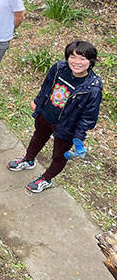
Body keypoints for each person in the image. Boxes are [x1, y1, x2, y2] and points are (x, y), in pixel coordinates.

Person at [7, 40, 102, 193]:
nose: (76, 62)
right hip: (46, 115)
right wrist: (38, 103)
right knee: (37, 138)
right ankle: (28, 160)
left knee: (59, 155)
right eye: (73, 57)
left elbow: (88, 117)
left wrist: (78, 137)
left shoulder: (93, 88)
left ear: (90, 62)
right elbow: (46, 87)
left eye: (82, 58)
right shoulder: (59, 68)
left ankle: (46, 179)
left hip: (67, 127)